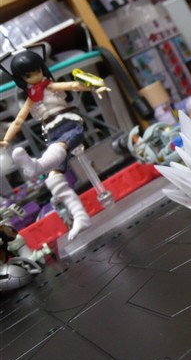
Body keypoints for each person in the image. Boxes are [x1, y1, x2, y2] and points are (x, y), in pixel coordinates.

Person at [0, 46, 109, 240]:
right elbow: (18, 120)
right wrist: (6, 140)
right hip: (52, 132)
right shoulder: (31, 98)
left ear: (42, 69)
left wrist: (94, 86)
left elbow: (73, 86)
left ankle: (37, 166)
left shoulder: (50, 86)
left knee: (58, 149)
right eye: (28, 75)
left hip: (69, 124)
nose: (34, 77)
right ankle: (80, 216)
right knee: (54, 179)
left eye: (36, 71)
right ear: (22, 79)